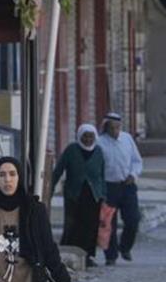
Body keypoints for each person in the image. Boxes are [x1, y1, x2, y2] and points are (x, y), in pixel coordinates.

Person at [52, 124, 106, 266]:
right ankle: (68, 255)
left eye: (91, 137)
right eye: (85, 136)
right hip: (74, 194)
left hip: (93, 196)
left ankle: (87, 257)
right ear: (79, 137)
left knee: (90, 226)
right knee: (72, 226)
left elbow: (102, 175)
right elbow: (58, 170)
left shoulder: (99, 152)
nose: (88, 140)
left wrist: (104, 195)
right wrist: (49, 189)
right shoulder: (71, 150)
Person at [99, 112, 143, 265]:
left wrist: (133, 174)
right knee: (109, 223)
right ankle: (110, 256)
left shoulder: (127, 139)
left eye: (117, 127)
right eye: (112, 128)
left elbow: (137, 161)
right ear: (106, 128)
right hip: (108, 187)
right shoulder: (100, 142)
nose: (115, 131)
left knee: (133, 219)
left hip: (127, 185)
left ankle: (125, 247)